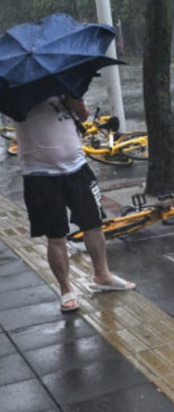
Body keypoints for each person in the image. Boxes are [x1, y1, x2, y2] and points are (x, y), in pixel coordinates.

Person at [13, 95, 135, 313]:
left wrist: (74, 100)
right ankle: (66, 288)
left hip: (77, 168)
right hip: (40, 175)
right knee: (56, 235)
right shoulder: (18, 92)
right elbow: (17, 114)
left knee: (94, 224)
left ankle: (103, 275)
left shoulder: (64, 84)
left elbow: (84, 115)